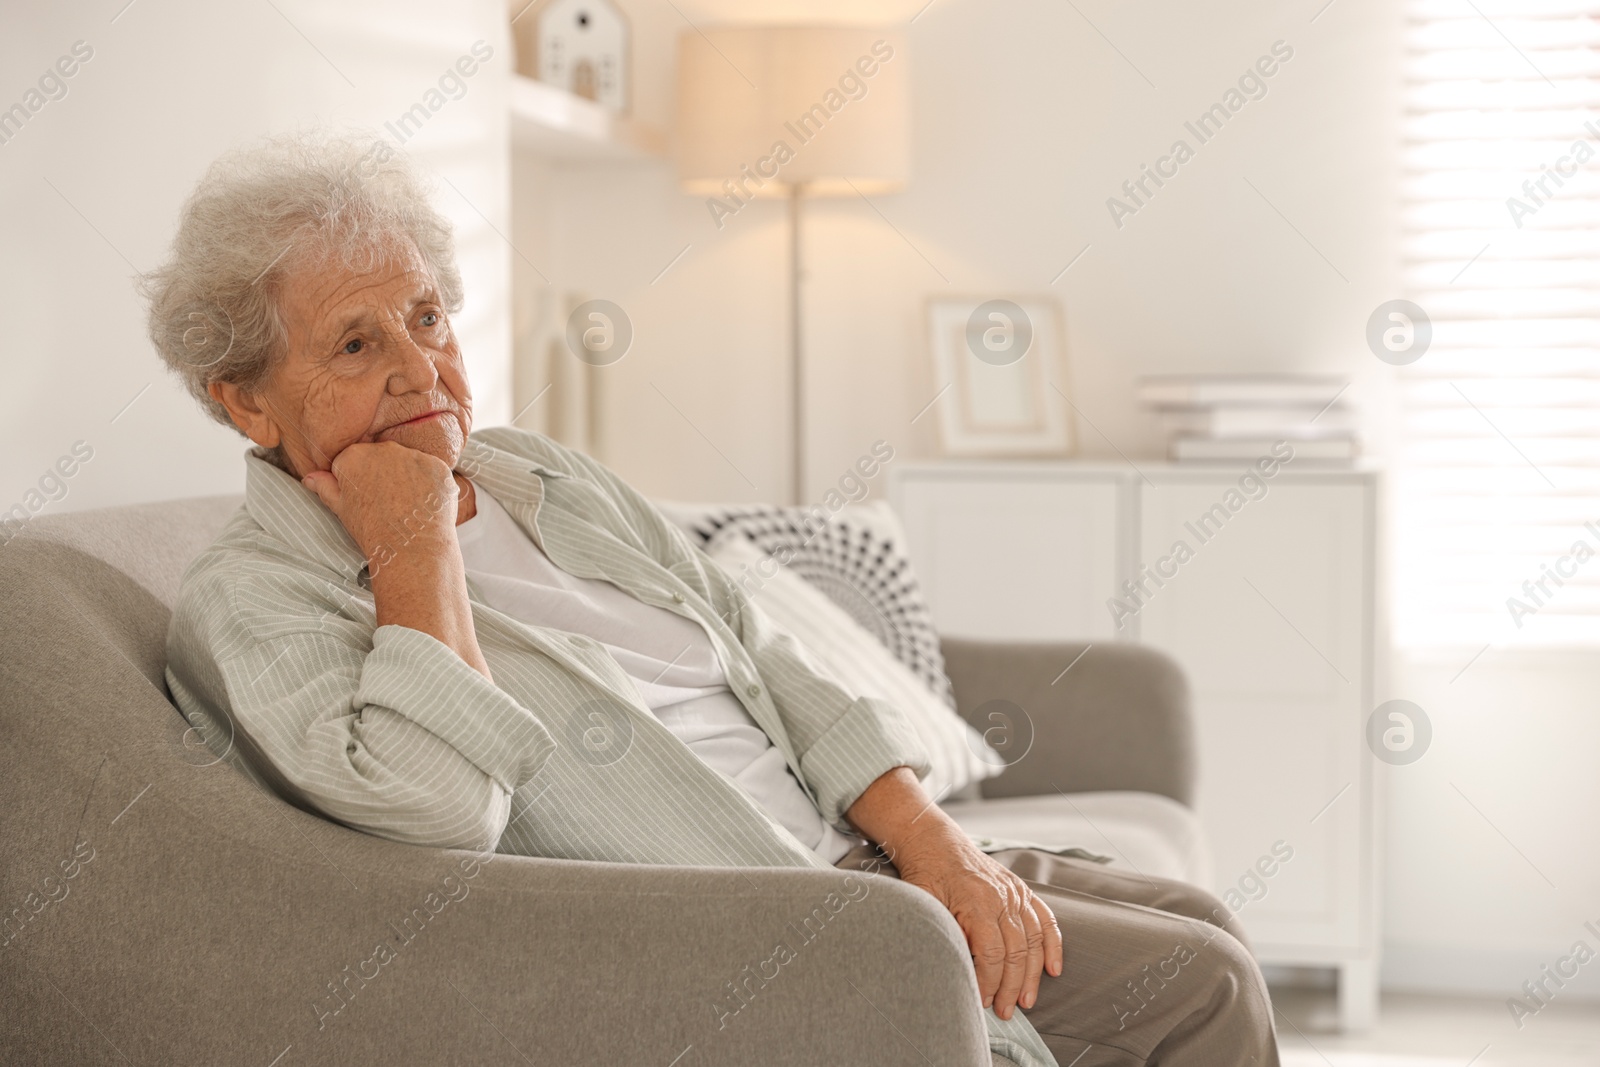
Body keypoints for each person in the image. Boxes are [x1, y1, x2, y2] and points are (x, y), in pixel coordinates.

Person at [149, 132, 1279, 1067]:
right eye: (357, 340)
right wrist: (412, 551)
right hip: (758, 918)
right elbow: (436, 811)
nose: (420, 369)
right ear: (247, 403)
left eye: (429, 317)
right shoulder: (254, 597)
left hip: (853, 847)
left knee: (1204, 924)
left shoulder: (532, 471)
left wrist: (934, 840)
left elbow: (755, 639)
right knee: (1204, 988)